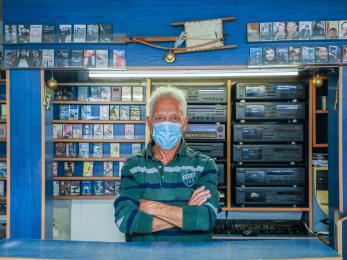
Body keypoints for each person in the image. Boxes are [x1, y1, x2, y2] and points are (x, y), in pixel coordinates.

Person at [114, 87, 220, 242]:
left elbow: (205, 219)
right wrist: (187, 213)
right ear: (150, 124)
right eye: (160, 118)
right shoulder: (133, 166)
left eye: (175, 119)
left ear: (184, 124)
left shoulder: (204, 165)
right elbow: (125, 220)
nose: (167, 125)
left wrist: (151, 207)